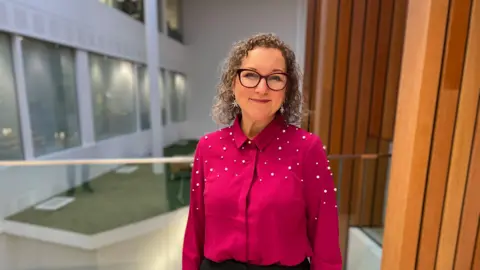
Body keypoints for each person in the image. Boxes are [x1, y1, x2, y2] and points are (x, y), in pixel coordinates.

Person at [182, 33, 342, 270]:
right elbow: (196, 227)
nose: (261, 88)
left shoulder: (308, 149)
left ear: (287, 89)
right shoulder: (208, 147)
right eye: (250, 75)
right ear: (233, 83)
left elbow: (325, 237)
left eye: (275, 78)